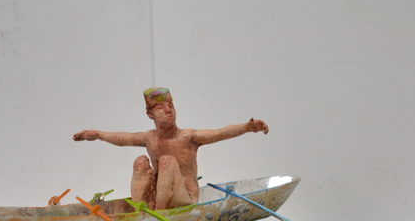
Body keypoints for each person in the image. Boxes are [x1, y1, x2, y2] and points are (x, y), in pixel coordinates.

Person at [72, 88, 269, 210]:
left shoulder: (188, 137)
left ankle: (157, 214)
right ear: (150, 114)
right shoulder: (149, 137)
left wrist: (247, 127)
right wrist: (97, 134)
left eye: (171, 105)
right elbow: (124, 138)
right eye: (160, 108)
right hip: (158, 197)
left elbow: (220, 133)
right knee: (140, 161)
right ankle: (142, 209)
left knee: (167, 161)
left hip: (185, 198)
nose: (168, 110)